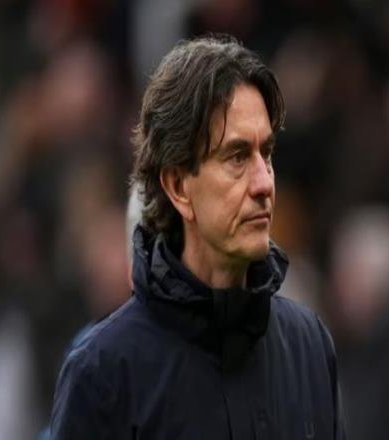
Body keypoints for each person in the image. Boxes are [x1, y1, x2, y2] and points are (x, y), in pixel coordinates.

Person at [50, 35, 346, 440]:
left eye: (267, 154)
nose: (264, 183)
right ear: (177, 186)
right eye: (237, 157)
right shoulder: (104, 373)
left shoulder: (309, 345)